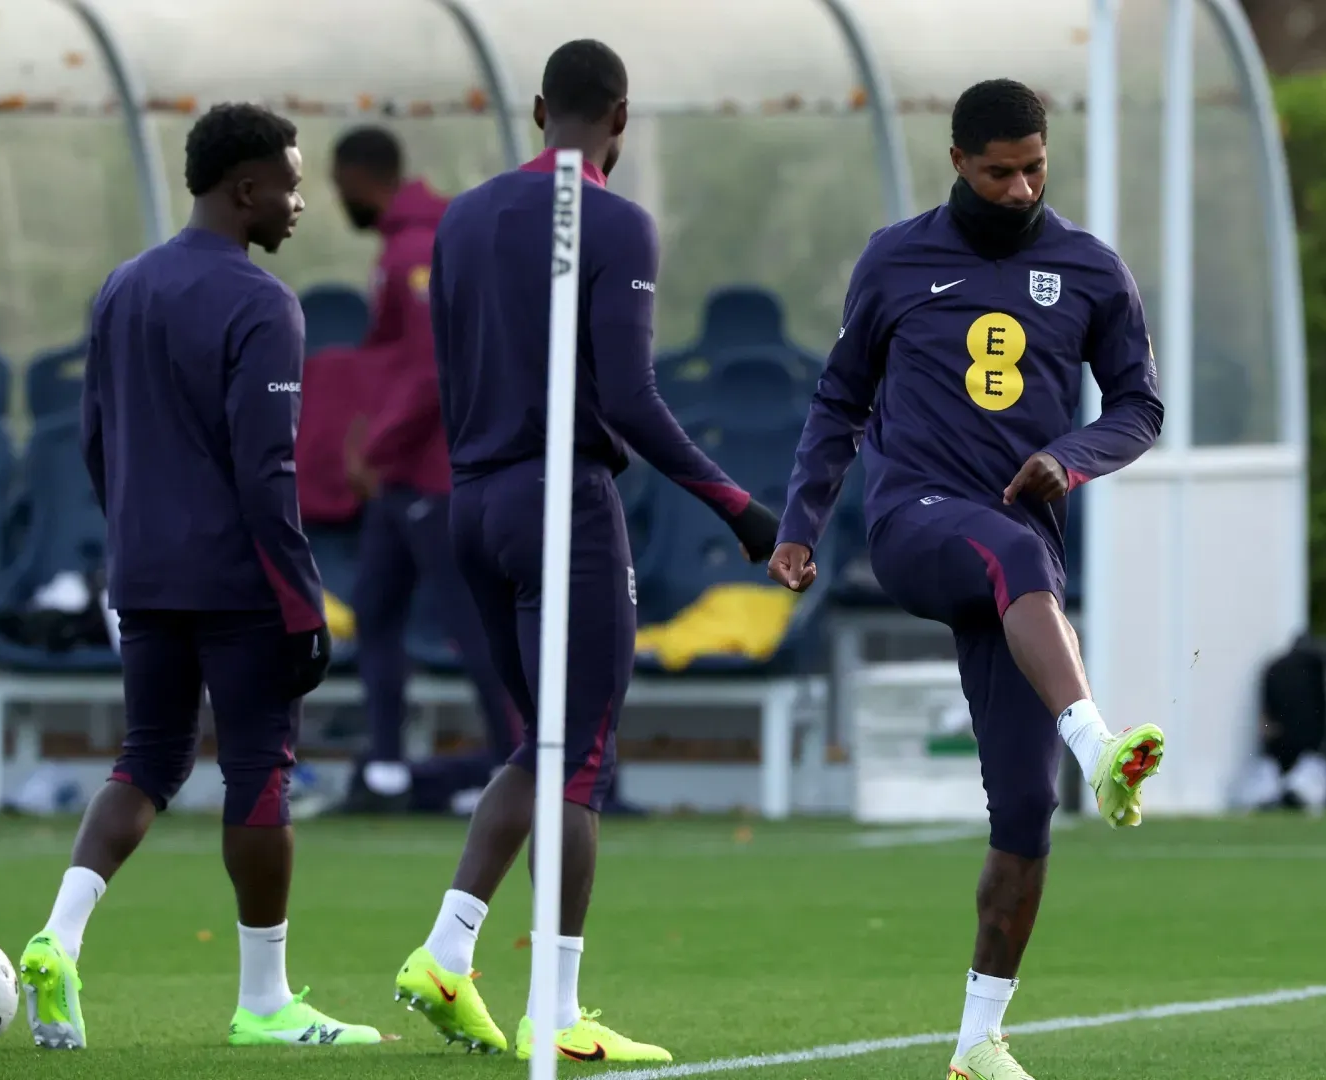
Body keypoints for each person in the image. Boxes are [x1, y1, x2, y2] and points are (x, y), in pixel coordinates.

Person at [770, 78, 1165, 1080]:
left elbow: (1139, 406)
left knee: (1024, 815)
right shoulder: (895, 259)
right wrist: (800, 523)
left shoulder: (1090, 269)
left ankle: (977, 1040)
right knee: (1012, 550)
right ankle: (1098, 743)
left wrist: (1071, 457)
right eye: (999, 172)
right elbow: (839, 398)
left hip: (1018, 573)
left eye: (1035, 168)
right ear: (957, 163)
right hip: (915, 525)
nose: (1022, 188)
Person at [392, 39, 779, 1063]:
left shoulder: (462, 218)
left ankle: (446, 953)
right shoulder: (614, 221)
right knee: (579, 760)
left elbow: (445, 371)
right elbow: (629, 399)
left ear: (536, 110)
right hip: (559, 502)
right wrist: (738, 506)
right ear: (621, 118)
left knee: (544, 743)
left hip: (472, 501)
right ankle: (555, 1012)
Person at [19, 102, 382, 1049]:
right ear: (245, 188)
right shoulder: (264, 305)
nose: (299, 203)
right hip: (238, 581)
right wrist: (303, 601)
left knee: (147, 760)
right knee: (259, 772)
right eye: (289, 186)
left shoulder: (121, 287)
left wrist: (135, 538)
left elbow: (95, 439)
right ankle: (265, 1002)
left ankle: (58, 937)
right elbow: (267, 470)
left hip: (143, 572)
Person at [326, 125, 522, 813]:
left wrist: (374, 447)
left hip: (435, 471)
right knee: (376, 611)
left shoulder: (417, 250)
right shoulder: (409, 244)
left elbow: (431, 369)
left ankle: (519, 769)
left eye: (337, 186)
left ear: (359, 178)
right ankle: (385, 771)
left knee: (471, 625)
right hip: (402, 475)